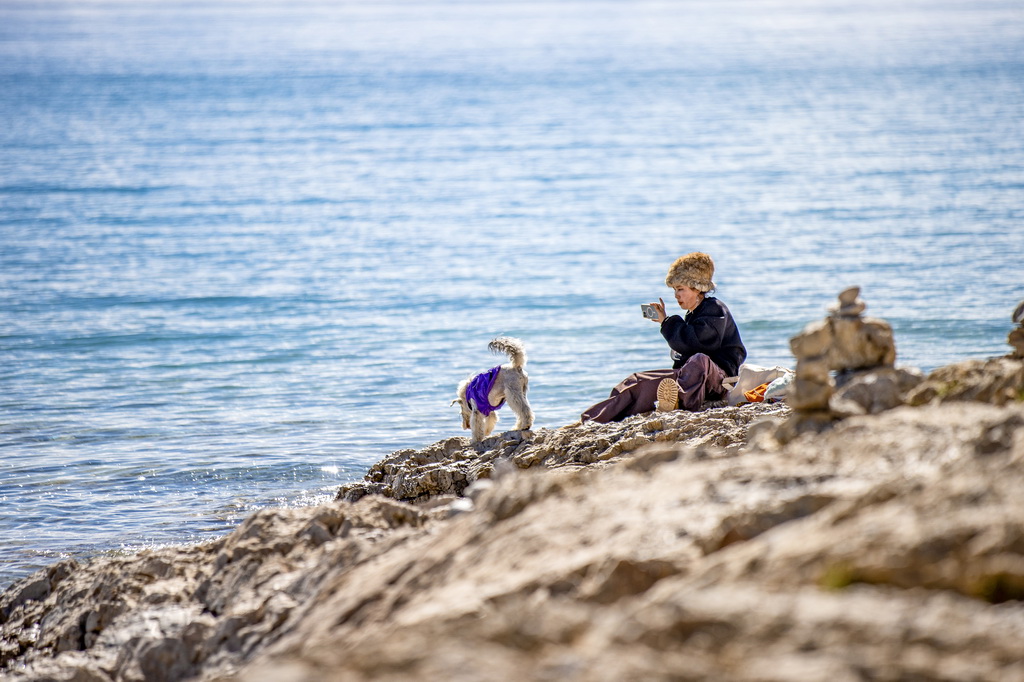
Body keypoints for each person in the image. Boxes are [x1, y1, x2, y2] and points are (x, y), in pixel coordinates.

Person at [581, 252, 746, 423]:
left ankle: (678, 402)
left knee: (699, 360)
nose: (676, 295)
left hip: (719, 381)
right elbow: (686, 348)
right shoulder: (692, 315)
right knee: (637, 382)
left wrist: (666, 322)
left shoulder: (715, 308)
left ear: (697, 288)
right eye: (674, 290)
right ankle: (591, 419)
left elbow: (697, 343)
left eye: (680, 289)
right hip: (691, 379)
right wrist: (666, 322)